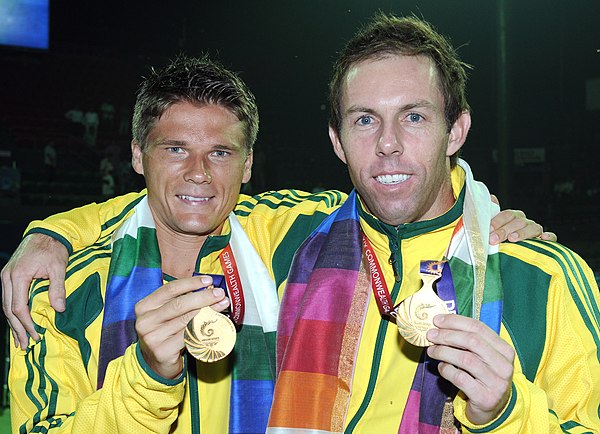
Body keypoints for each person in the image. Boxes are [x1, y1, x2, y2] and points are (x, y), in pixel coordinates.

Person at [4, 42, 551, 434]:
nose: (198, 172)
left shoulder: (286, 234)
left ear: (246, 168)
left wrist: (482, 217)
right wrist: (50, 234)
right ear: (134, 155)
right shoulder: (56, 292)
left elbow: (405, 202)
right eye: (174, 149)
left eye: (220, 153)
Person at [264, 14, 600, 432]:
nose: (388, 143)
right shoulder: (287, 239)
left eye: (414, 117)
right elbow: (175, 193)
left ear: (456, 131)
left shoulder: (541, 277)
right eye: (365, 120)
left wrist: (505, 413)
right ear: (338, 141)